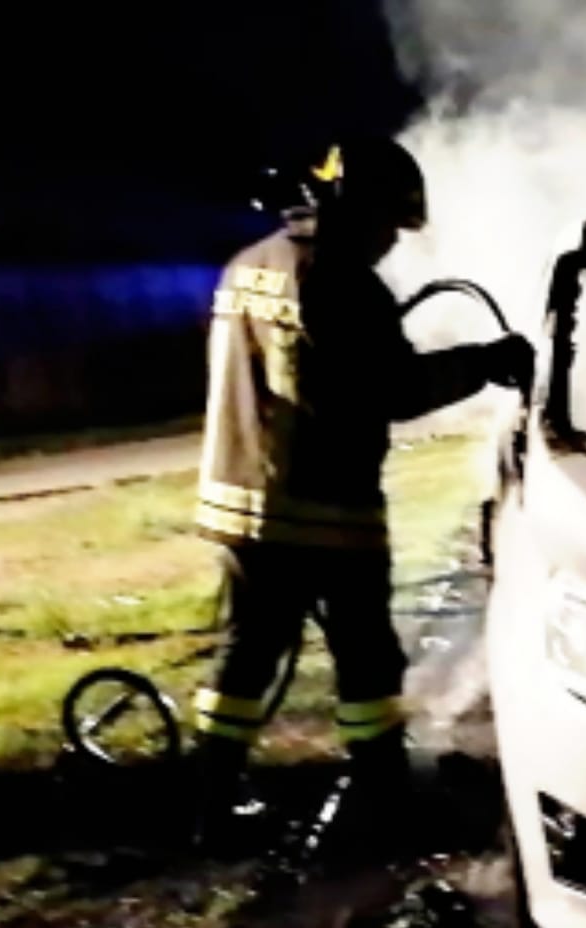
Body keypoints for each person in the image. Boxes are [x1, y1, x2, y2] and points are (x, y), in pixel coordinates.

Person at [191, 136, 530, 855]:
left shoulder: (250, 263)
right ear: (352, 207)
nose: (390, 243)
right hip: (324, 511)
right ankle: (384, 800)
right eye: (386, 224)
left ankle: (210, 804)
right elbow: (392, 390)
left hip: (242, 503)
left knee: (249, 656)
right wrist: (486, 362)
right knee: (368, 663)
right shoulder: (340, 280)